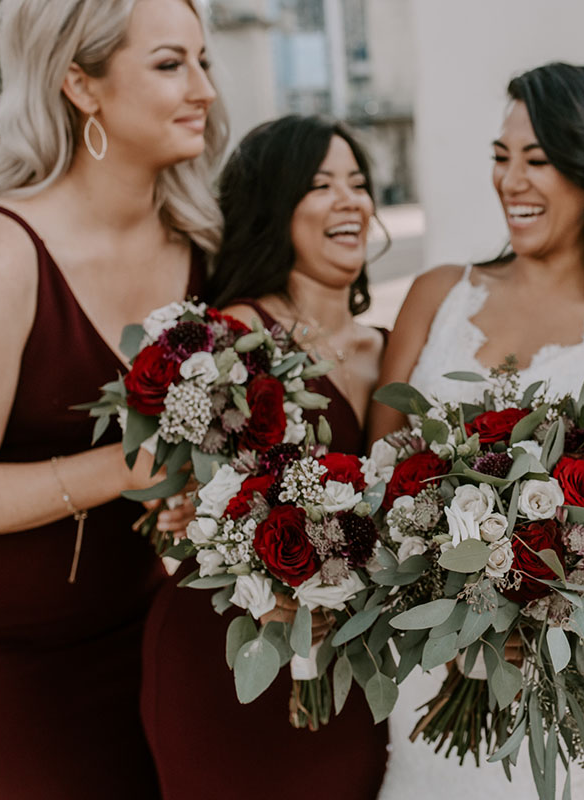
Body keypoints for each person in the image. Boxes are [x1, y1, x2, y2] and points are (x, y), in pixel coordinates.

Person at [371, 62, 584, 800]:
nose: (511, 181)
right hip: (424, 666)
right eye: (502, 158)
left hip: (550, 683)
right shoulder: (438, 293)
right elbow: (375, 476)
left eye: (538, 160)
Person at [0, 0, 224, 795]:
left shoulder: (206, 245)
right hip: (18, 680)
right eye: (169, 64)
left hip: (177, 658)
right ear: (79, 84)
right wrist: (128, 468)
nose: (204, 90)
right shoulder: (3, 256)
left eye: (204, 62)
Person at [140, 115, 391, 799]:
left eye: (359, 183)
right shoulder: (233, 340)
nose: (351, 200)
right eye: (320, 185)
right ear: (273, 208)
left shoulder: (392, 350)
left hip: (346, 669)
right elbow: (179, 498)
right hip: (226, 661)